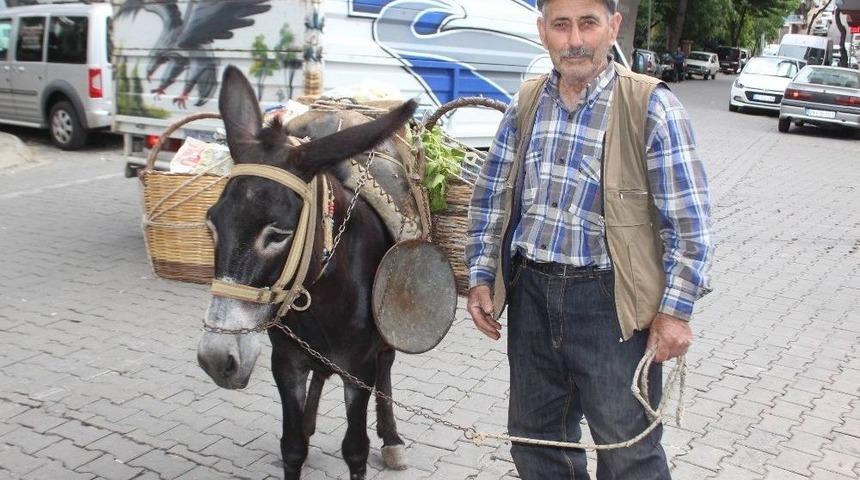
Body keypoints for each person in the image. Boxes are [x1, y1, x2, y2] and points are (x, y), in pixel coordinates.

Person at [464, 0, 713, 478]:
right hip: (532, 297)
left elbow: (689, 223)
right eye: (561, 25)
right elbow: (490, 196)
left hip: (611, 304)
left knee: (628, 455)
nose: (574, 39)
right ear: (543, 31)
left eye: (588, 23)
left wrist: (676, 312)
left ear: (612, 27)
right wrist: (479, 275)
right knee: (536, 445)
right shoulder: (527, 102)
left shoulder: (652, 105)